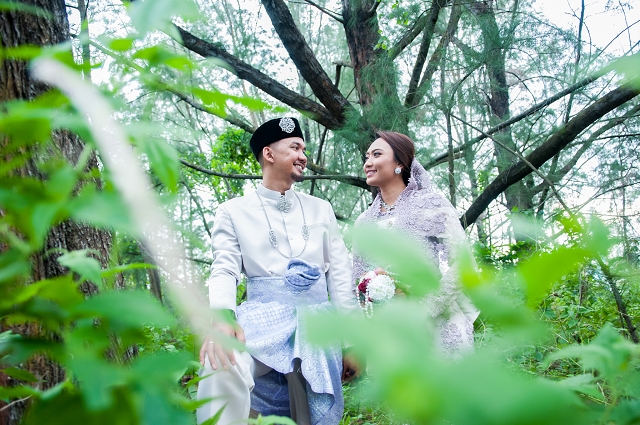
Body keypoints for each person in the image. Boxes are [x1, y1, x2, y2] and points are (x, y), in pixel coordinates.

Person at [196, 117, 359, 425]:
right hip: (261, 318)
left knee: (307, 409)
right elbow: (224, 268)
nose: (303, 156)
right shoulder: (232, 211)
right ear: (269, 154)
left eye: (304, 149)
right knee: (221, 360)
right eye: (295, 147)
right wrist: (223, 317)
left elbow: (339, 277)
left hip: (317, 321)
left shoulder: (320, 209)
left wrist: (351, 340)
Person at [352, 131, 479, 358]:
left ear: (400, 162)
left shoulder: (432, 205)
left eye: (377, 154)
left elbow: (463, 265)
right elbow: (358, 281)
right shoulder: (363, 223)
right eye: (366, 157)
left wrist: (425, 308)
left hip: (439, 326)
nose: (368, 163)